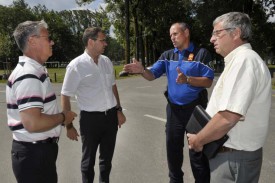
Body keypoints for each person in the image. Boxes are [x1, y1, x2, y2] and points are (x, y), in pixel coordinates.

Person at [124, 22, 214, 183]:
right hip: (174, 111)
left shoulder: (202, 54)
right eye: (170, 35)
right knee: (173, 152)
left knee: (197, 152)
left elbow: (208, 81)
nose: (172, 38)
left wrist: (188, 79)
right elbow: (152, 75)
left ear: (186, 32)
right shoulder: (167, 56)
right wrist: (142, 70)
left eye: (175, 34)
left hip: (195, 109)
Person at [187, 12, 272, 183]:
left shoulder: (244, 61)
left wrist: (199, 140)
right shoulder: (239, 60)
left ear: (236, 33)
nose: (212, 39)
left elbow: (228, 117)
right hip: (231, 155)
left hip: (233, 157)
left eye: (217, 33)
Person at [6, 20, 77, 183]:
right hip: (35, 155)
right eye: (47, 37)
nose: (52, 41)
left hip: (36, 153)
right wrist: (64, 117)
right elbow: (33, 123)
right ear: (32, 41)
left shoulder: (33, 71)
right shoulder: (29, 74)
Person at [61, 27, 126, 183]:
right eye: (102, 40)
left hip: (110, 117)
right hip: (90, 120)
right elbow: (65, 95)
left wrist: (118, 110)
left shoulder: (106, 61)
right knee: (88, 162)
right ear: (91, 42)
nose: (105, 43)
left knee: (106, 160)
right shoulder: (76, 66)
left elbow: (113, 86)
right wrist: (68, 126)